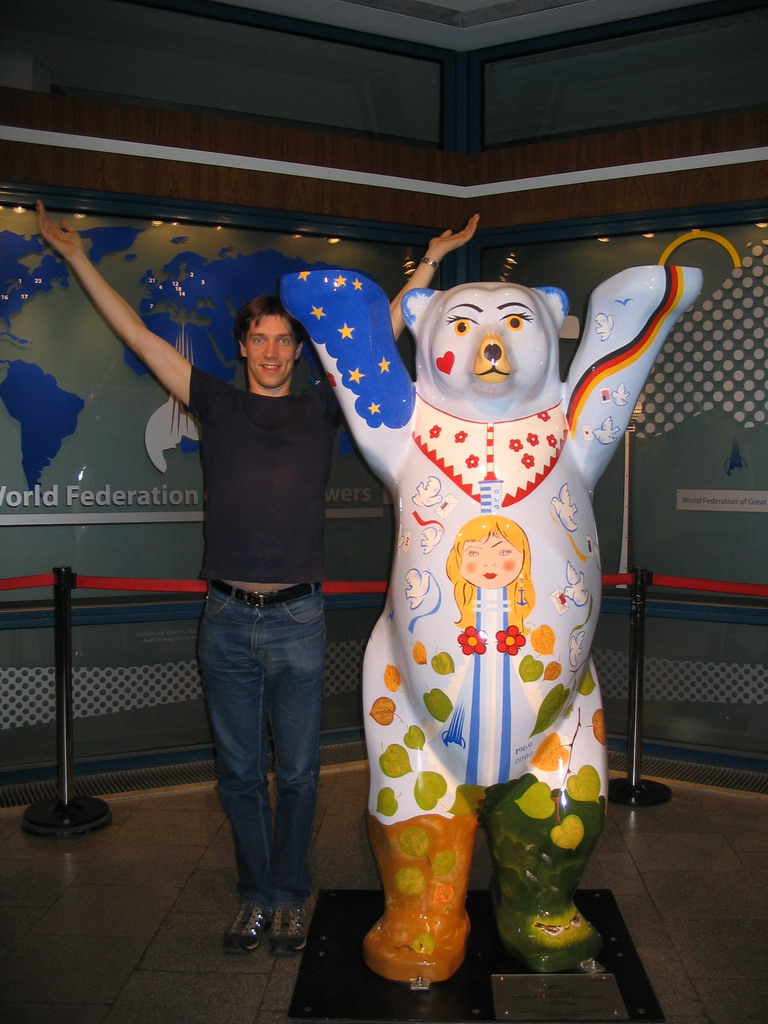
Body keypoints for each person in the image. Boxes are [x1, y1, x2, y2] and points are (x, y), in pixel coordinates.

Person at [36, 200, 478, 956]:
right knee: (240, 774)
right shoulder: (215, 401)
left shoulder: (319, 408)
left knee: (301, 775)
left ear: (300, 351)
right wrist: (78, 257)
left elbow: (381, 333)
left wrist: (430, 262)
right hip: (227, 620)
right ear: (242, 346)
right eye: (260, 339)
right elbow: (140, 336)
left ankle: (291, 896)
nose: (272, 352)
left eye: (284, 341)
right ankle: (257, 896)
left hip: (299, 620)